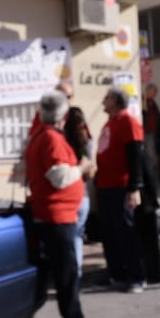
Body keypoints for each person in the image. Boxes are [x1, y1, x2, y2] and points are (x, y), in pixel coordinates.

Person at [24, 92, 100, 318]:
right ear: (63, 115)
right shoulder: (51, 139)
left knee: (62, 279)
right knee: (67, 282)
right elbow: (59, 177)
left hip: (54, 216)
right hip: (57, 218)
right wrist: (81, 167)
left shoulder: (40, 137)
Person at [95, 88, 147, 293]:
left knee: (127, 233)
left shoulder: (128, 121)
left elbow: (136, 155)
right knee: (109, 234)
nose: (103, 100)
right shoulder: (110, 123)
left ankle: (137, 276)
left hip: (121, 186)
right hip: (106, 186)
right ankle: (116, 274)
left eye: (107, 98)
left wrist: (134, 187)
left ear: (116, 101)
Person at [63, 105, 95, 273]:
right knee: (78, 237)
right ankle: (78, 271)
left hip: (70, 196)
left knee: (69, 238)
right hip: (84, 196)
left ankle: (71, 272)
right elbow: (89, 168)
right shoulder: (86, 142)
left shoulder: (62, 142)